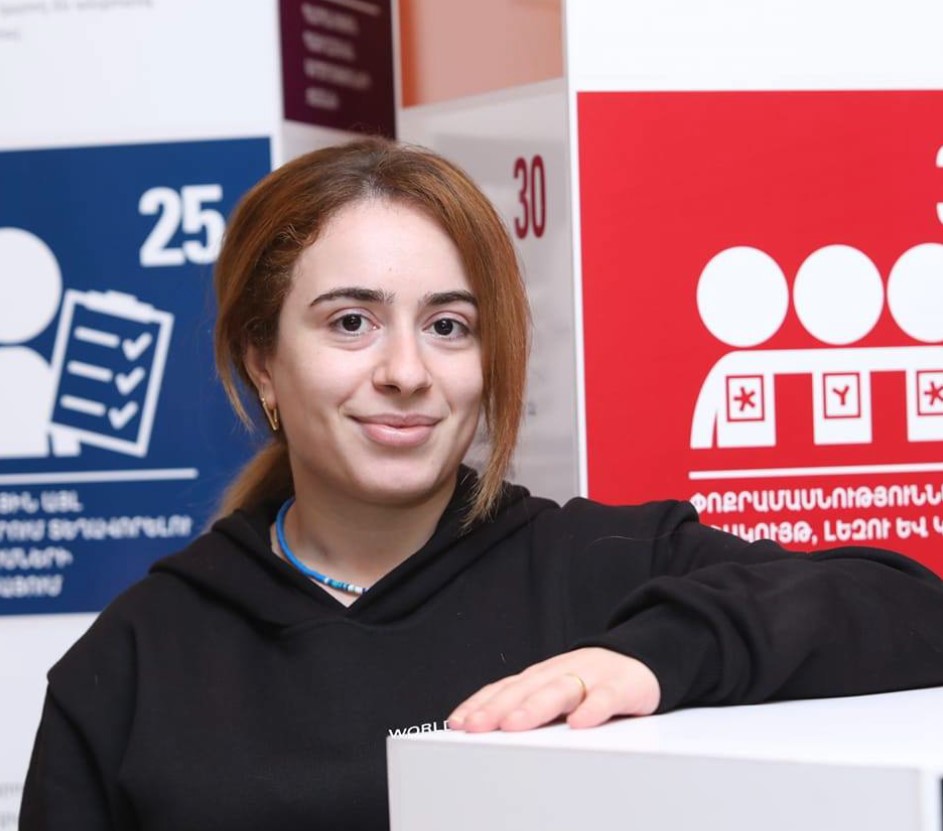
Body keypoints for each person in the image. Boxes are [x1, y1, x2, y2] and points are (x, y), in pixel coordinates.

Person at [20, 137, 943, 831]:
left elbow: (910, 608)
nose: (405, 371)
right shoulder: (134, 661)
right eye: (350, 322)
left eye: (448, 326)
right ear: (262, 360)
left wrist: (651, 659)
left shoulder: (603, 571)